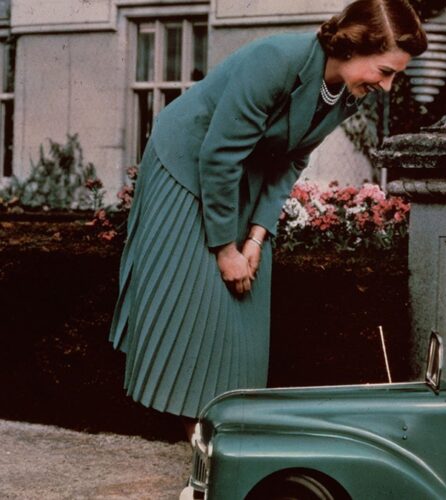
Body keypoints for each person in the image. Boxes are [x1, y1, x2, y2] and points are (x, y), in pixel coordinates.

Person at [108, 0, 427, 440]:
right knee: (199, 305)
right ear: (354, 46)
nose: (388, 87)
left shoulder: (346, 94)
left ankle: (227, 438)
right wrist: (224, 250)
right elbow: (218, 155)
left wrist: (257, 238)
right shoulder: (276, 60)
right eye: (386, 71)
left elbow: (291, 161)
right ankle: (203, 447)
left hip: (241, 174)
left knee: (242, 313)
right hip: (186, 165)